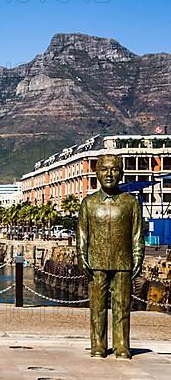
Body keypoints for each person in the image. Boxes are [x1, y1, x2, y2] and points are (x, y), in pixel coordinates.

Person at [77, 154, 144, 360]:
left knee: (122, 305)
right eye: (104, 169)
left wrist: (138, 256)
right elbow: (82, 233)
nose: (109, 174)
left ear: (121, 173)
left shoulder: (130, 202)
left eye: (114, 169)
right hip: (96, 261)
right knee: (97, 306)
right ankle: (97, 343)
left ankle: (122, 344)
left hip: (123, 261)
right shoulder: (88, 203)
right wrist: (81, 255)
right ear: (97, 173)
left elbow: (137, 234)